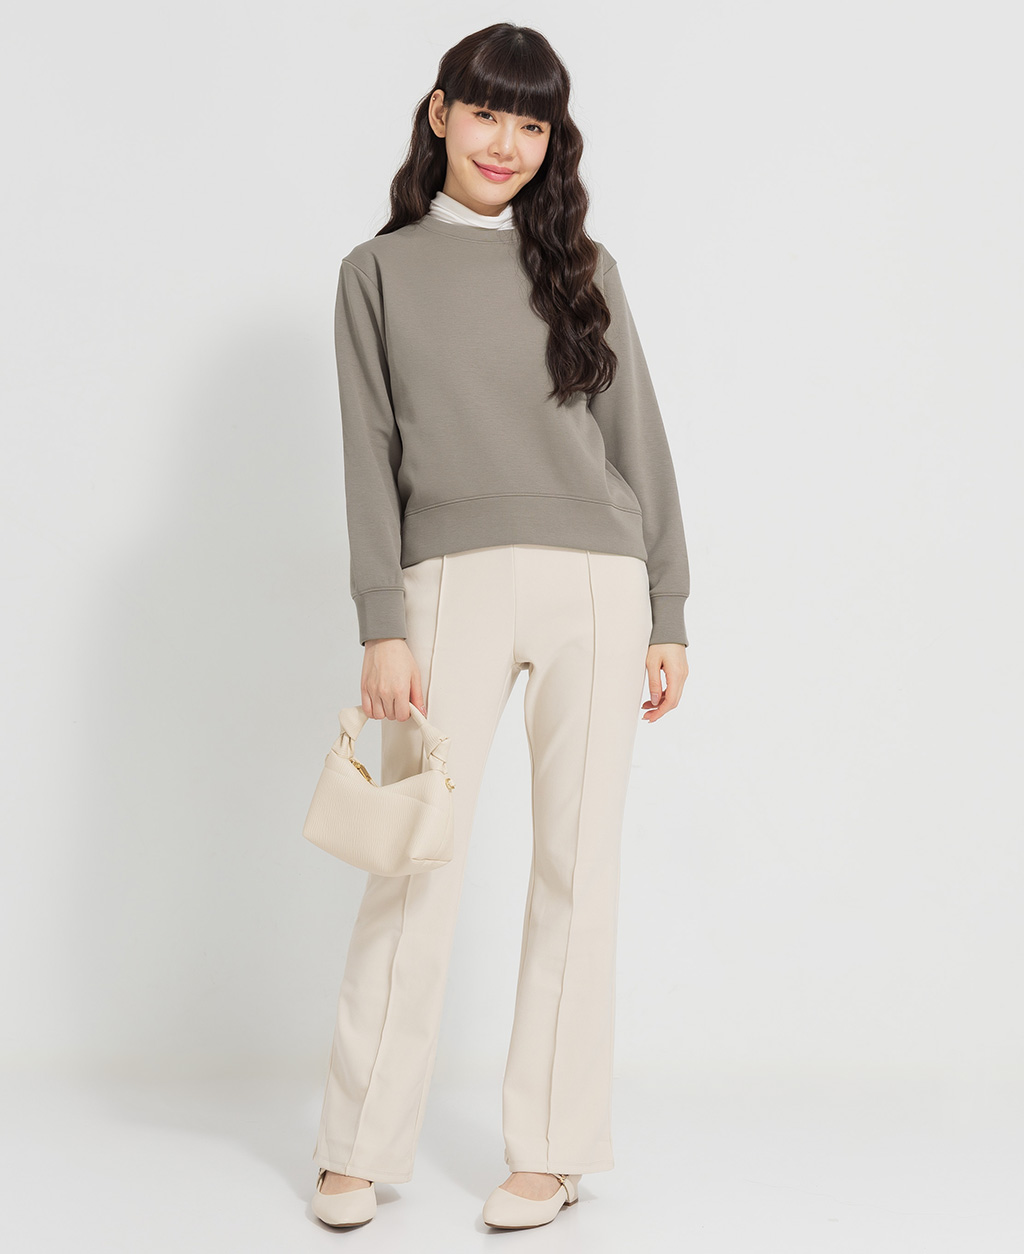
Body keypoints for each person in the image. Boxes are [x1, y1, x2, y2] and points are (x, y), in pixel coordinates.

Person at [310, 22, 691, 1231]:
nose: (506, 143)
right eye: (487, 114)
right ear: (440, 114)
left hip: (598, 582)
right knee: (411, 855)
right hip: (443, 587)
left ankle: (555, 1149)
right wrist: (382, 618)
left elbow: (638, 443)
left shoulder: (583, 266)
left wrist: (668, 605)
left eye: (532, 124)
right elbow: (368, 454)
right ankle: (357, 1144)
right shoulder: (376, 273)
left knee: (578, 867)